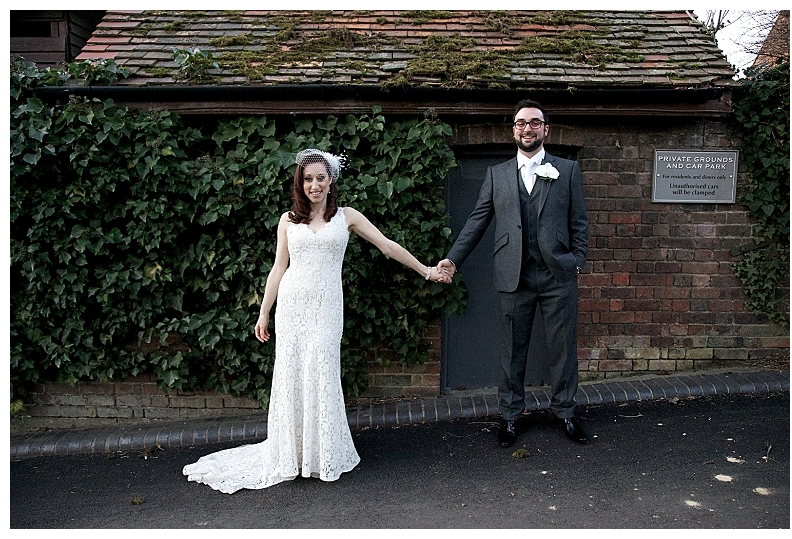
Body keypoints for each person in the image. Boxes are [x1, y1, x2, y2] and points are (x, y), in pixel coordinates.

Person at [183, 148, 447, 493]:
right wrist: (264, 312)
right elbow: (279, 268)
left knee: (322, 370)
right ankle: (293, 454)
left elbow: (387, 245)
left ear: (331, 179)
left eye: (321, 177)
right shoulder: (288, 220)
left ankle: (321, 453)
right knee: (292, 373)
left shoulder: (348, 217)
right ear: (300, 183)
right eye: (308, 179)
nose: (314, 184)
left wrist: (427, 271)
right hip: (292, 306)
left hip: (326, 308)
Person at [437, 99, 589, 447]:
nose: (528, 128)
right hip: (513, 275)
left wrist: (576, 260)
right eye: (521, 123)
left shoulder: (567, 171)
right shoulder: (498, 175)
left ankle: (566, 413)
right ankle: (509, 417)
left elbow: (579, 221)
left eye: (535, 123)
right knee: (511, 351)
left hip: (557, 276)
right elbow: (477, 222)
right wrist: (453, 260)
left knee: (563, 349)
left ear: (545, 130)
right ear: (514, 130)